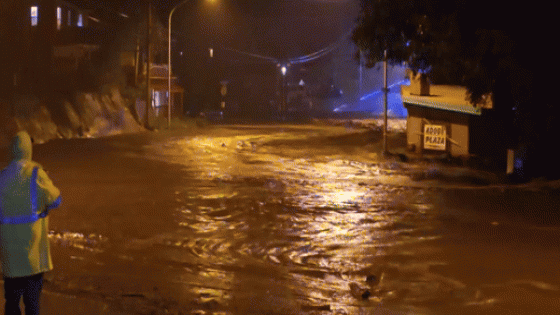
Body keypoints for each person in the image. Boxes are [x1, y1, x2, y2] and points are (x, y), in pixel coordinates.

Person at [0, 131, 61, 315]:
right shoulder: (36, 173)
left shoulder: (2, 177)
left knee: (11, 302)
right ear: (29, 150)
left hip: (10, 257)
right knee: (32, 304)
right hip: (33, 256)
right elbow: (56, 200)